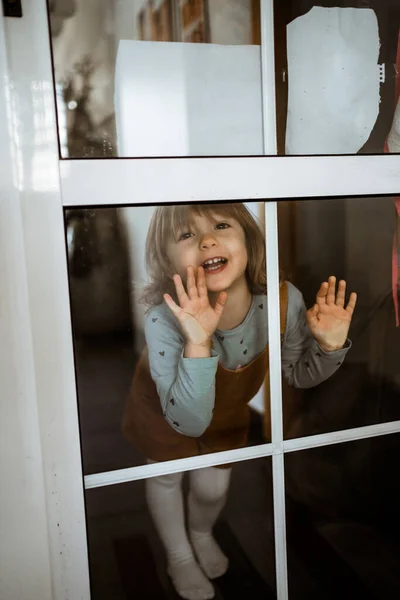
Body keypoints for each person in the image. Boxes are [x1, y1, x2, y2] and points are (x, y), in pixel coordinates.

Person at [123, 203, 357, 600]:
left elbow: (298, 373)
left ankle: (200, 532)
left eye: (220, 225)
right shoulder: (164, 321)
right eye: (186, 234)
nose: (207, 239)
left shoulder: (281, 302)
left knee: (212, 489)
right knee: (166, 477)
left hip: (227, 413)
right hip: (164, 408)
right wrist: (197, 341)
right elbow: (190, 422)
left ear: (249, 238)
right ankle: (178, 555)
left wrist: (329, 347)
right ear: (167, 260)